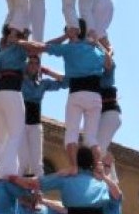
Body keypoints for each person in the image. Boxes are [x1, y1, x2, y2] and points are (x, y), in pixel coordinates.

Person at [20, 23, 110, 170]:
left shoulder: (69, 49)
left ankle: (74, 167)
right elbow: (108, 64)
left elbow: (42, 46)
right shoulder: (95, 50)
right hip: (95, 96)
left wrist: (20, 42)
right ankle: (98, 168)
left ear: (74, 33)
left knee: (71, 134)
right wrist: (98, 42)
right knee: (91, 138)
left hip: (77, 93)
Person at [0, 30, 28, 178]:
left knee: (2, 137)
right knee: (16, 134)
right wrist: (21, 40)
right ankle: (3, 172)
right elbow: (30, 50)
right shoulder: (17, 51)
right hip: (11, 91)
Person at [19, 55, 67, 176]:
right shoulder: (19, 80)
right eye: (31, 63)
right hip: (21, 124)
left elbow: (66, 82)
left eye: (36, 63)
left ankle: (38, 191)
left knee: (37, 163)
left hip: (35, 124)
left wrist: (47, 71)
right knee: (22, 161)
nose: (33, 66)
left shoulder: (42, 84)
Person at [97, 63, 122, 156]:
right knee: (93, 145)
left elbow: (111, 65)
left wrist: (105, 49)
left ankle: (100, 167)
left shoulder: (105, 80)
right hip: (107, 116)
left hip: (109, 115)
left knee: (98, 148)